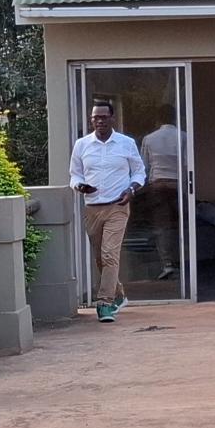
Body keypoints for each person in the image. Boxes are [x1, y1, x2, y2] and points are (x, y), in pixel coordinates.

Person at [69, 99, 145, 323]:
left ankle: (104, 304)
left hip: (117, 206)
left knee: (110, 254)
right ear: (91, 120)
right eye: (95, 118)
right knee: (100, 258)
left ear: (112, 119)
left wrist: (131, 189)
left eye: (103, 117)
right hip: (92, 208)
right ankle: (119, 294)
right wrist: (80, 186)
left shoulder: (126, 144)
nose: (99, 121)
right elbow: (75, 174)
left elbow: (139, 172)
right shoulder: (82, 145)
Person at [139, 104, 182, 281]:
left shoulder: (149, 139)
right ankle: (182, 261)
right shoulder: (183, 137)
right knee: (179, 225)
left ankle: (167, 263)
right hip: (177, 185)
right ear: (174, 117)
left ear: (158, 119)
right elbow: (187, 165)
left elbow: (144, 166)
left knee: (161, 225)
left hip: (158, 185)